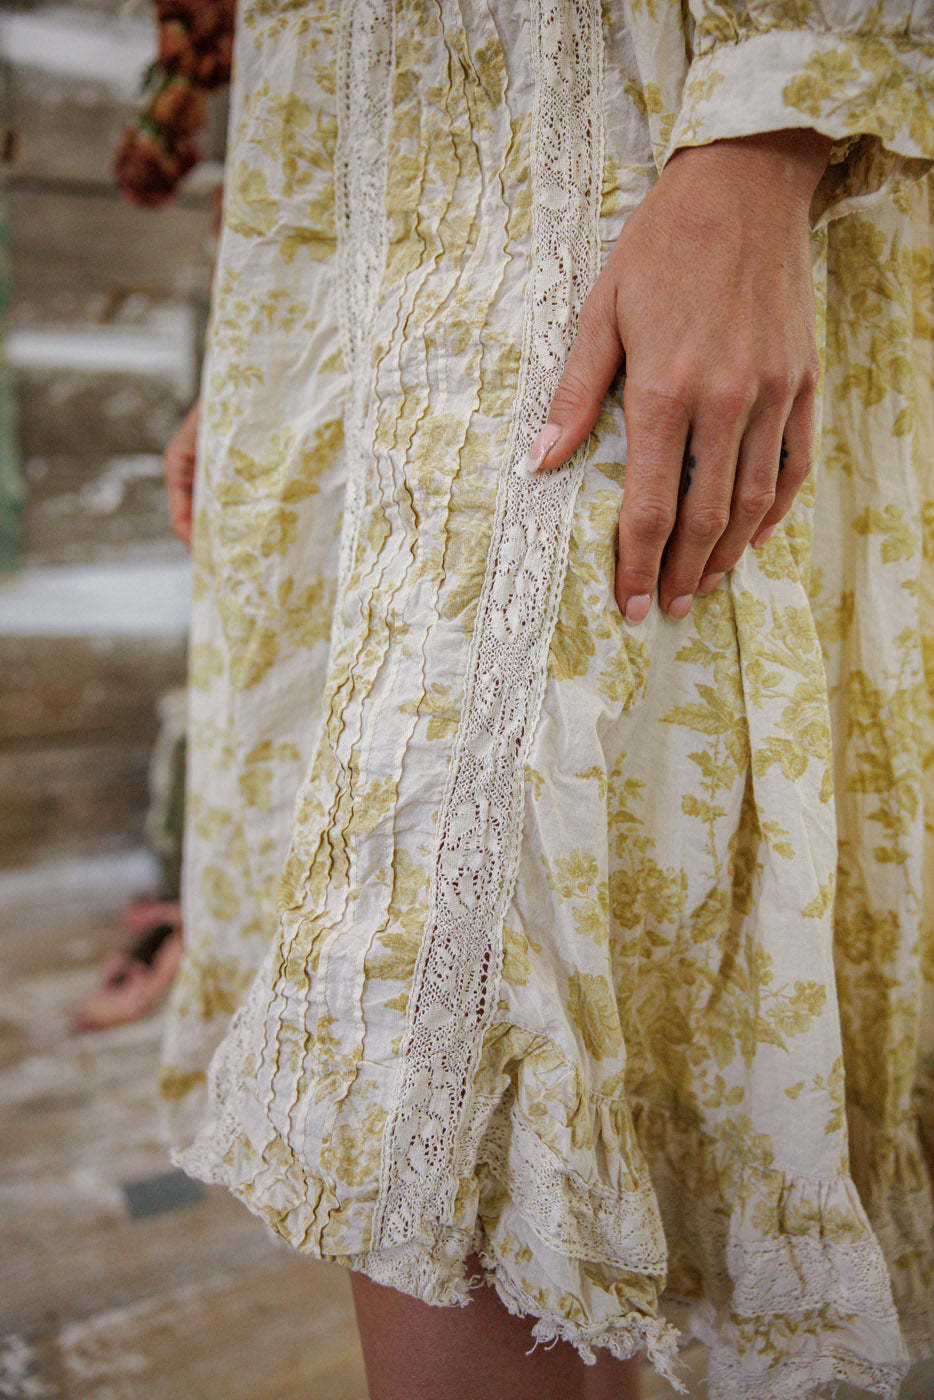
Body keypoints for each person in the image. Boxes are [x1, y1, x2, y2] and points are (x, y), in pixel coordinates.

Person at [156, 4, 934, 1398]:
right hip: (358, 253)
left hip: (613, 153)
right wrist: (274, 330)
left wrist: (766, 133)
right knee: (513, 1031)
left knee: (459, 986)